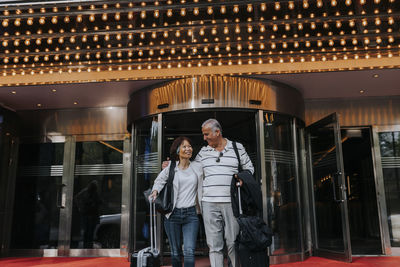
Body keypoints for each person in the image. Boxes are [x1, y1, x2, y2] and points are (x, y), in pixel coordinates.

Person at [196, 119, 254, 267]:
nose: (204, 138)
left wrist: (242, 179)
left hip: (232, 202)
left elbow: (249, 168)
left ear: (217, 132)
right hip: (208, 203)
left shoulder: (237, 147)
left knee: (233, 241)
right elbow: (191, 171)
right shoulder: (203, 152)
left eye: (207, 134)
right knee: (214, 244)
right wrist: (171, 165)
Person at [149, 136, 203, 267]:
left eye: (189, 146)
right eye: (184, 146)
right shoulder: (171, 167)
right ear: (177, 150)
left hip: (191, 214)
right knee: (175, 252)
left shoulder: (198, 166)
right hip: (172, 215)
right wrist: (155, 190)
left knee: (189, 251)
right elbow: (159, 180)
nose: (188, 149)